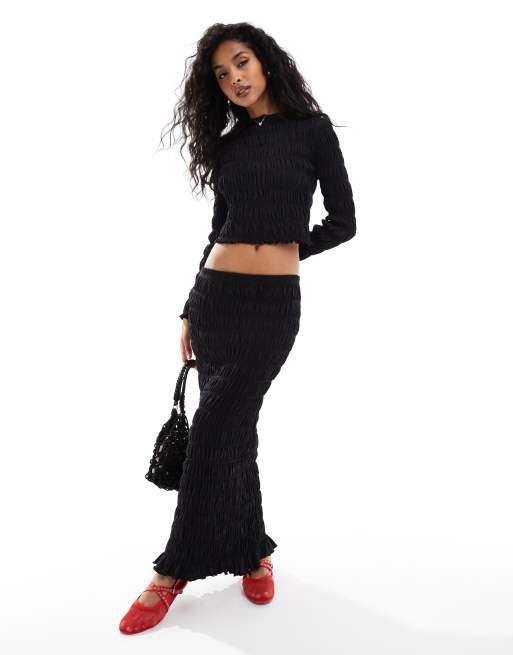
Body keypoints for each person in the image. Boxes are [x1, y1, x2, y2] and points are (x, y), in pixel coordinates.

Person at [119, 21, 356, 635]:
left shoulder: (312, 131)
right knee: (232, 432)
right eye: (222, 74)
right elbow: (217, 231)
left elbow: (345, 221)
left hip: (271, 309)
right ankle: (252, 552)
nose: (235, 79)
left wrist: (286, 247)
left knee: (213, 429)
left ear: (266, 61)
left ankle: (170, 573)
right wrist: (189, 306)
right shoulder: (229, 145)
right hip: (216, 301)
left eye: (242, 62)